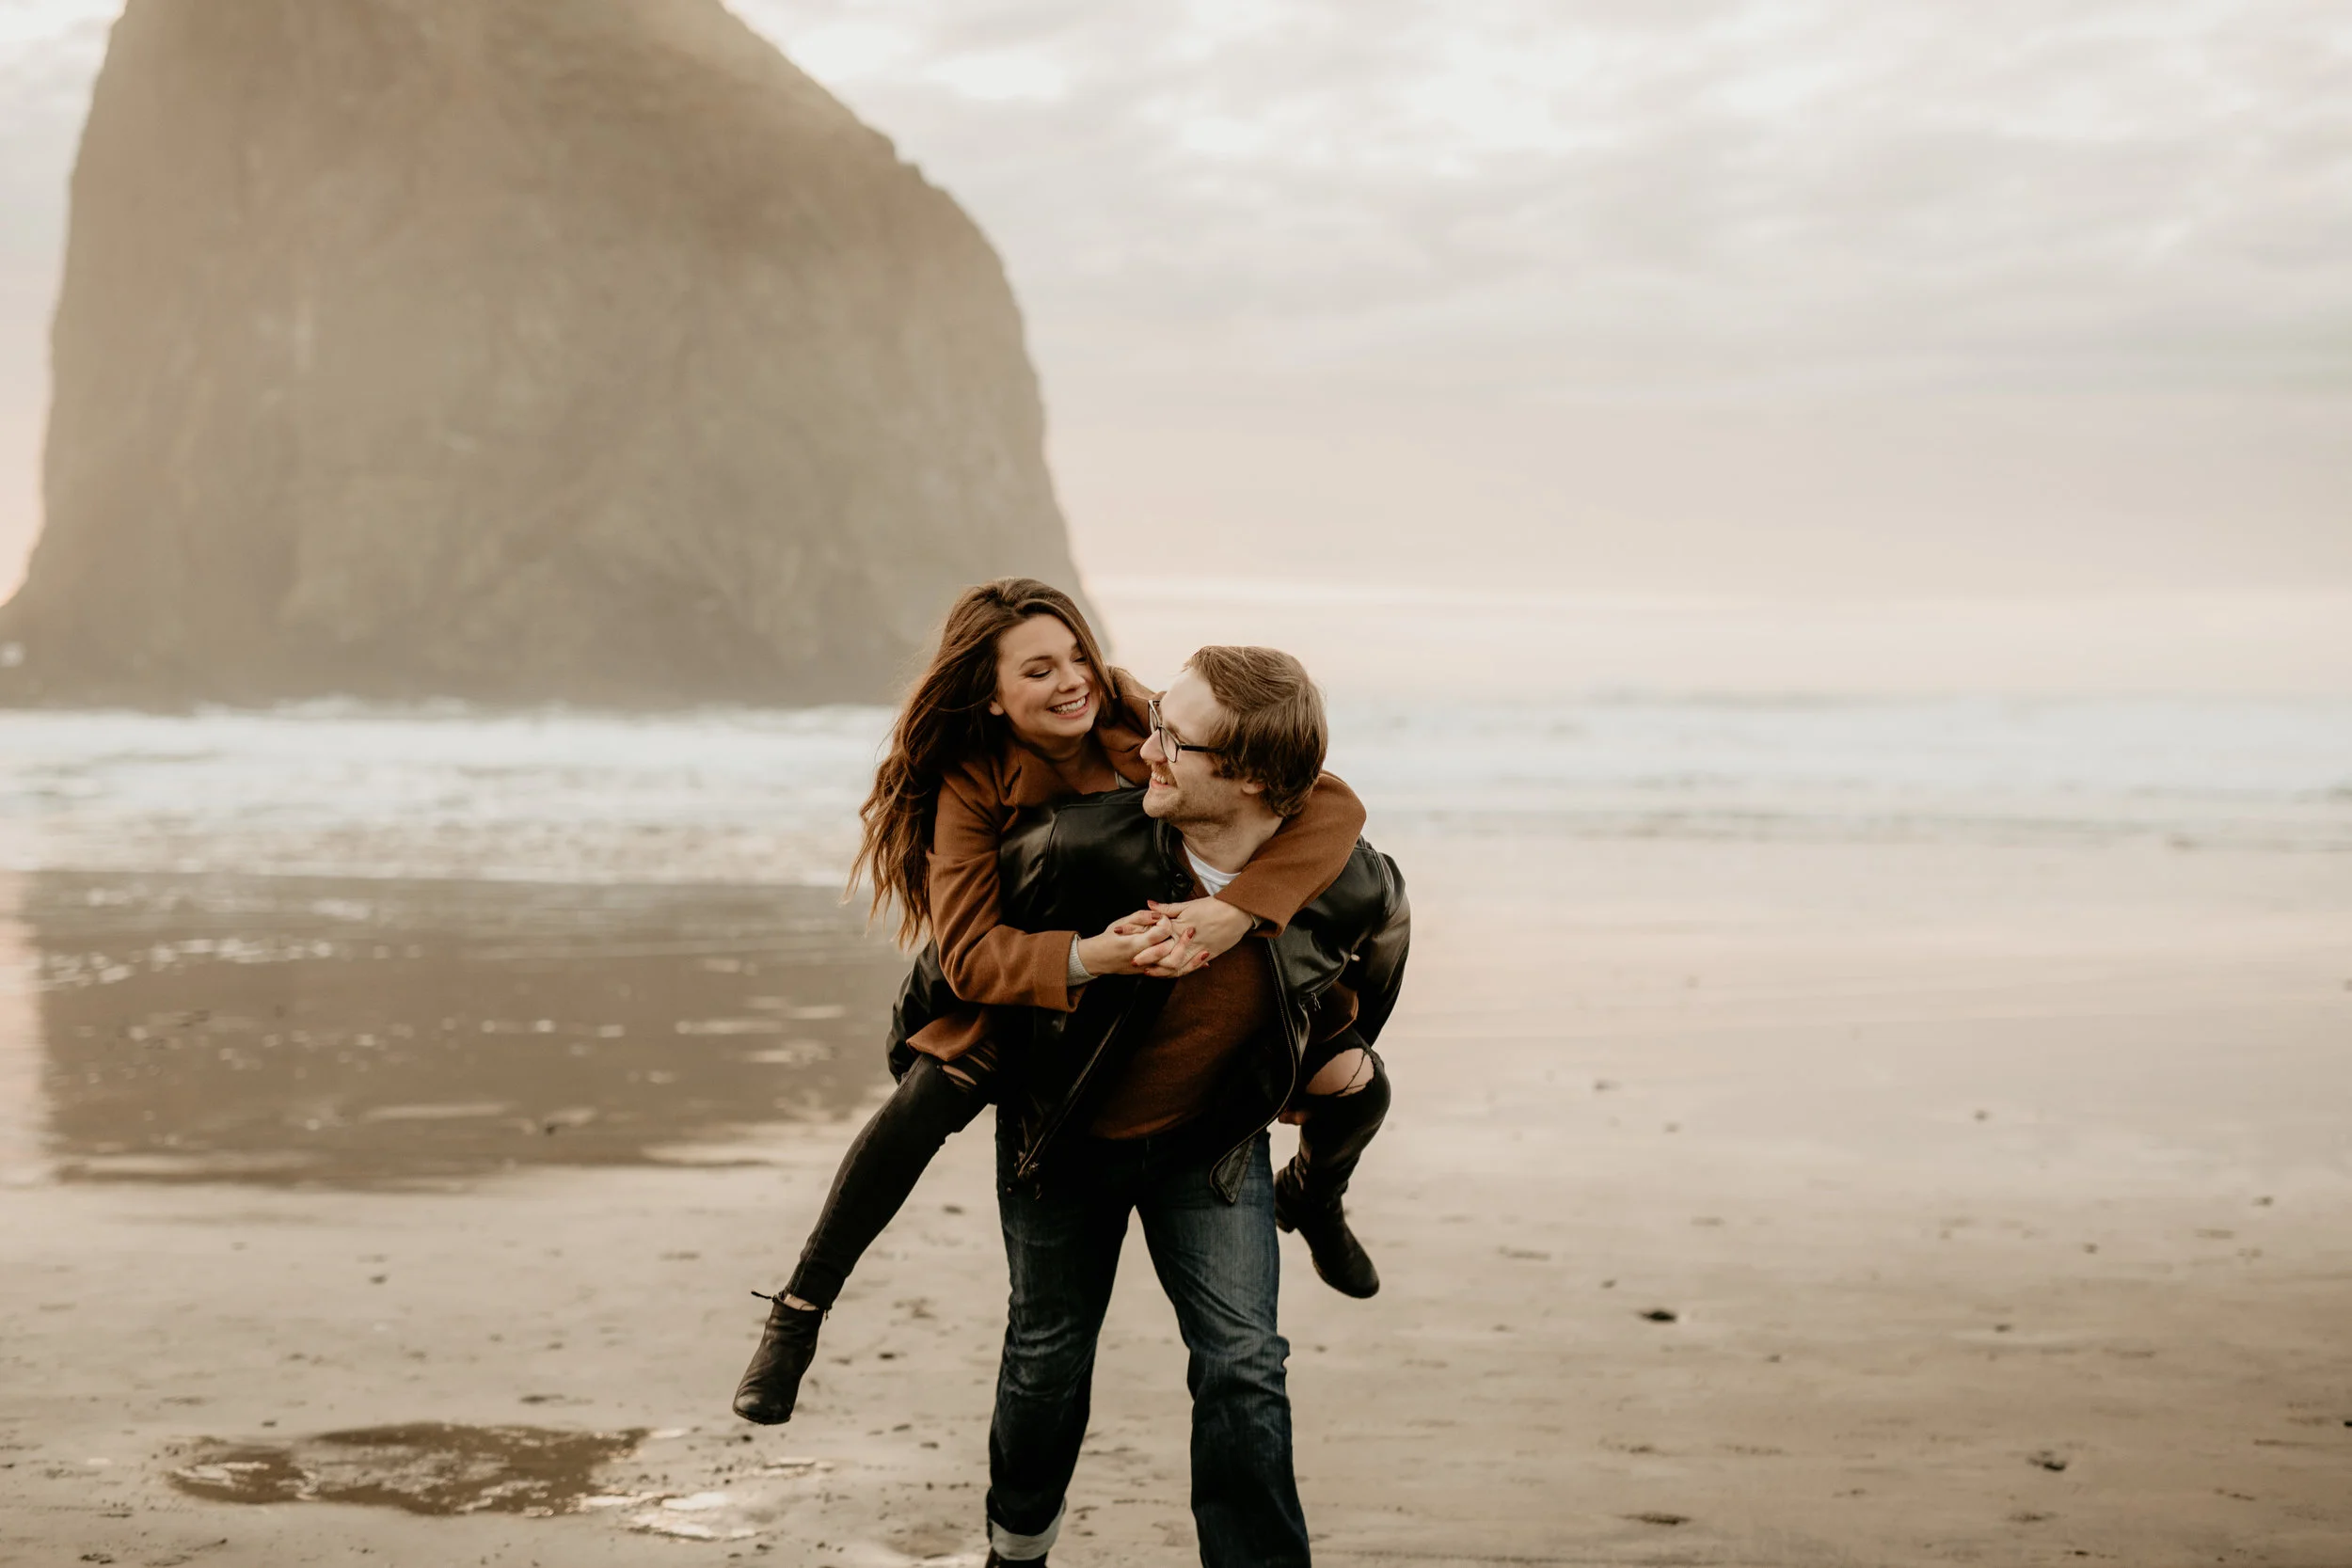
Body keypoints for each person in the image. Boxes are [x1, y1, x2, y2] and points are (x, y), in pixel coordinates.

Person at [733, 582, 1391, 1428]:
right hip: (1037, 978)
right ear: (991, 693)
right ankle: (800, 1309)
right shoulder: (972, 781)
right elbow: (970, 955)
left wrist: (1237, 910)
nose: (1074, 679)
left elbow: (1321, 796)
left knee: (1356, 1078)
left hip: (1175, 951)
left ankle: (1317, 1198)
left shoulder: (1131, 713)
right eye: (1039, 670)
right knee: (928, 1097)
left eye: (1078, 653)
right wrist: (1087, 956)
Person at [930, 644, 1410, 1567]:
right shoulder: (1075, 844)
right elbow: (951, 968)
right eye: (1153, 721)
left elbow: (1377, 953)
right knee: (1046, 1357)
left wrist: (1307, 1059)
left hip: (1210, 1147)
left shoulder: (1348, 877)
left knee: (1245, 1362)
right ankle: (1017, 1551)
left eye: (1172, 738)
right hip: (1062, 1142)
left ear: (1251, 776)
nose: (1144, 748)